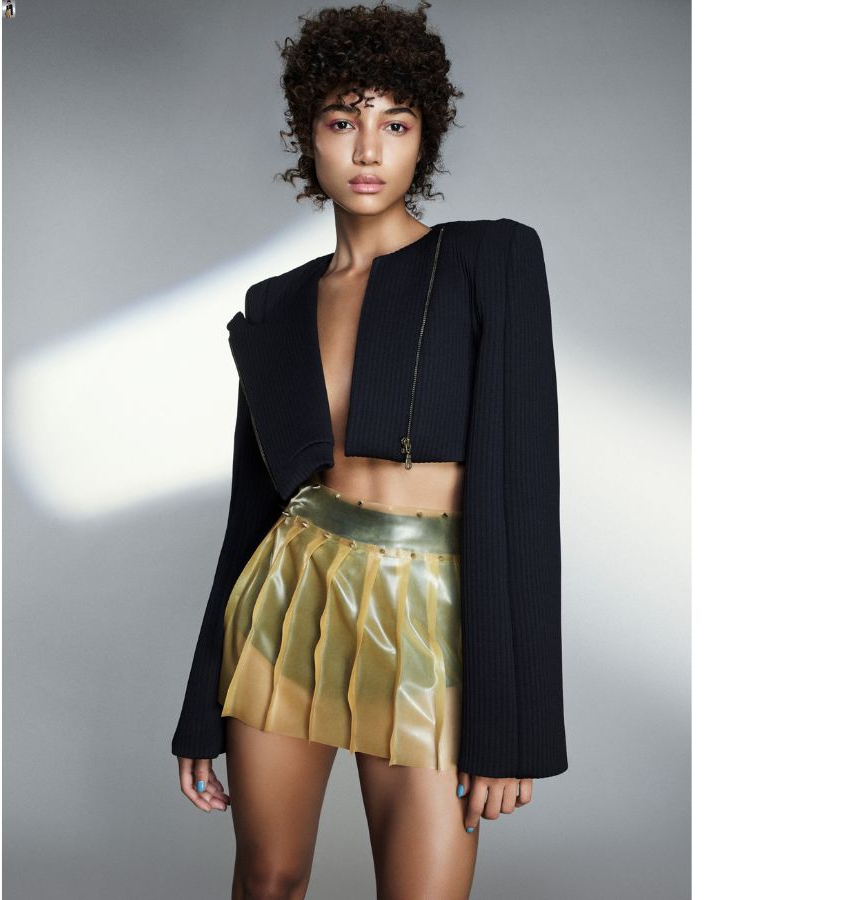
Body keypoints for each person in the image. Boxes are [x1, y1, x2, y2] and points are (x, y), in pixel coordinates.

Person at [171, 2, 567, 896]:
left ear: (425, 138)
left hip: (431, 612)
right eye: (342, 121)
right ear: (306, 136)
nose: (367, 149)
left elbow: (523, 498)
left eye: (395, 123)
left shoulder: (490, 262)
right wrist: (200, 709)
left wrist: (515, 729)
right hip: (289, 598)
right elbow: (252, 514)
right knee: (267, 880)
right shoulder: (274, 305)